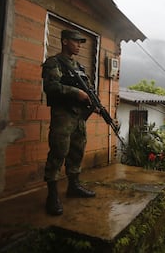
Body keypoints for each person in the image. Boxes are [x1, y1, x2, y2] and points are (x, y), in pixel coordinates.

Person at [42, 29, 96, 216]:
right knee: (58, 152)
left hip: (78, 117)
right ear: (64, 42)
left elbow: (88, 91)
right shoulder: (53, 63)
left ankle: (74, 186)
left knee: (76, 152)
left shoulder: (80, 67)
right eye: (76, 42)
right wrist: (76, 93)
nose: (79, 45)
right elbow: (51, 87)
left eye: (81, 42)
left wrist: (92, 103)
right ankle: (52, 196)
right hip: (63, 116)